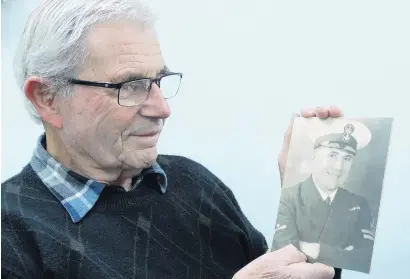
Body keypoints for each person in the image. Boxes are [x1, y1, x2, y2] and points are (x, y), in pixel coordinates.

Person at [2, 0, 342, 278]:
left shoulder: (194, 183)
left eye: (159, 81)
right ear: (47, 97)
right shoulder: (11, 235)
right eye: (130, 86)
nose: (162, 109)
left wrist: (309, 211)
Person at [272, 119, 376, 273]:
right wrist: (341, 252)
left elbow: (363, 256)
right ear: (314, 157)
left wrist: (317, 249)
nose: (338, 167)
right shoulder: (290, 197)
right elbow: (285, 255)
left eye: (347, 158)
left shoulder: (359, 204)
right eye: (332, 155)